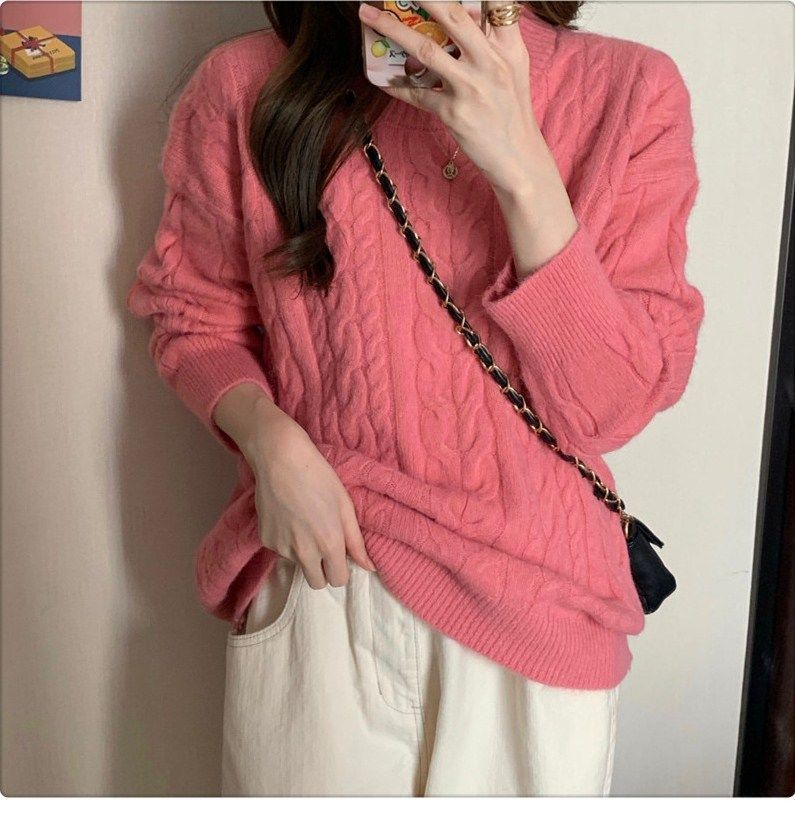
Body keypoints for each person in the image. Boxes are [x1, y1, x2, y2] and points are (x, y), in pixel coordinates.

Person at [125, 1, 705, 796]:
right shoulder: (248, 85)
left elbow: (615, 406)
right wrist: (268, 441)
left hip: (538, 612)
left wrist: (520, 164)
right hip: (324, 578)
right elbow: (193, 314)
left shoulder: (628, 92)